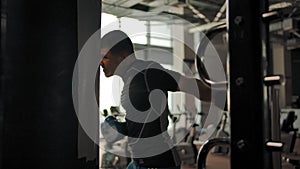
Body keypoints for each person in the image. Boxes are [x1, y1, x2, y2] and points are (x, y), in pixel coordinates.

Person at [100, 30, 211, 169]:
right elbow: (144, 121)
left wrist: (229, 101)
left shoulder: (147, 72)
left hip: (158, 163)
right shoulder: (130, 79)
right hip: (139, 162)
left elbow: (192, 86)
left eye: (105, 57)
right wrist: (122, 128)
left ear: (123, 56)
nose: (101, 62)